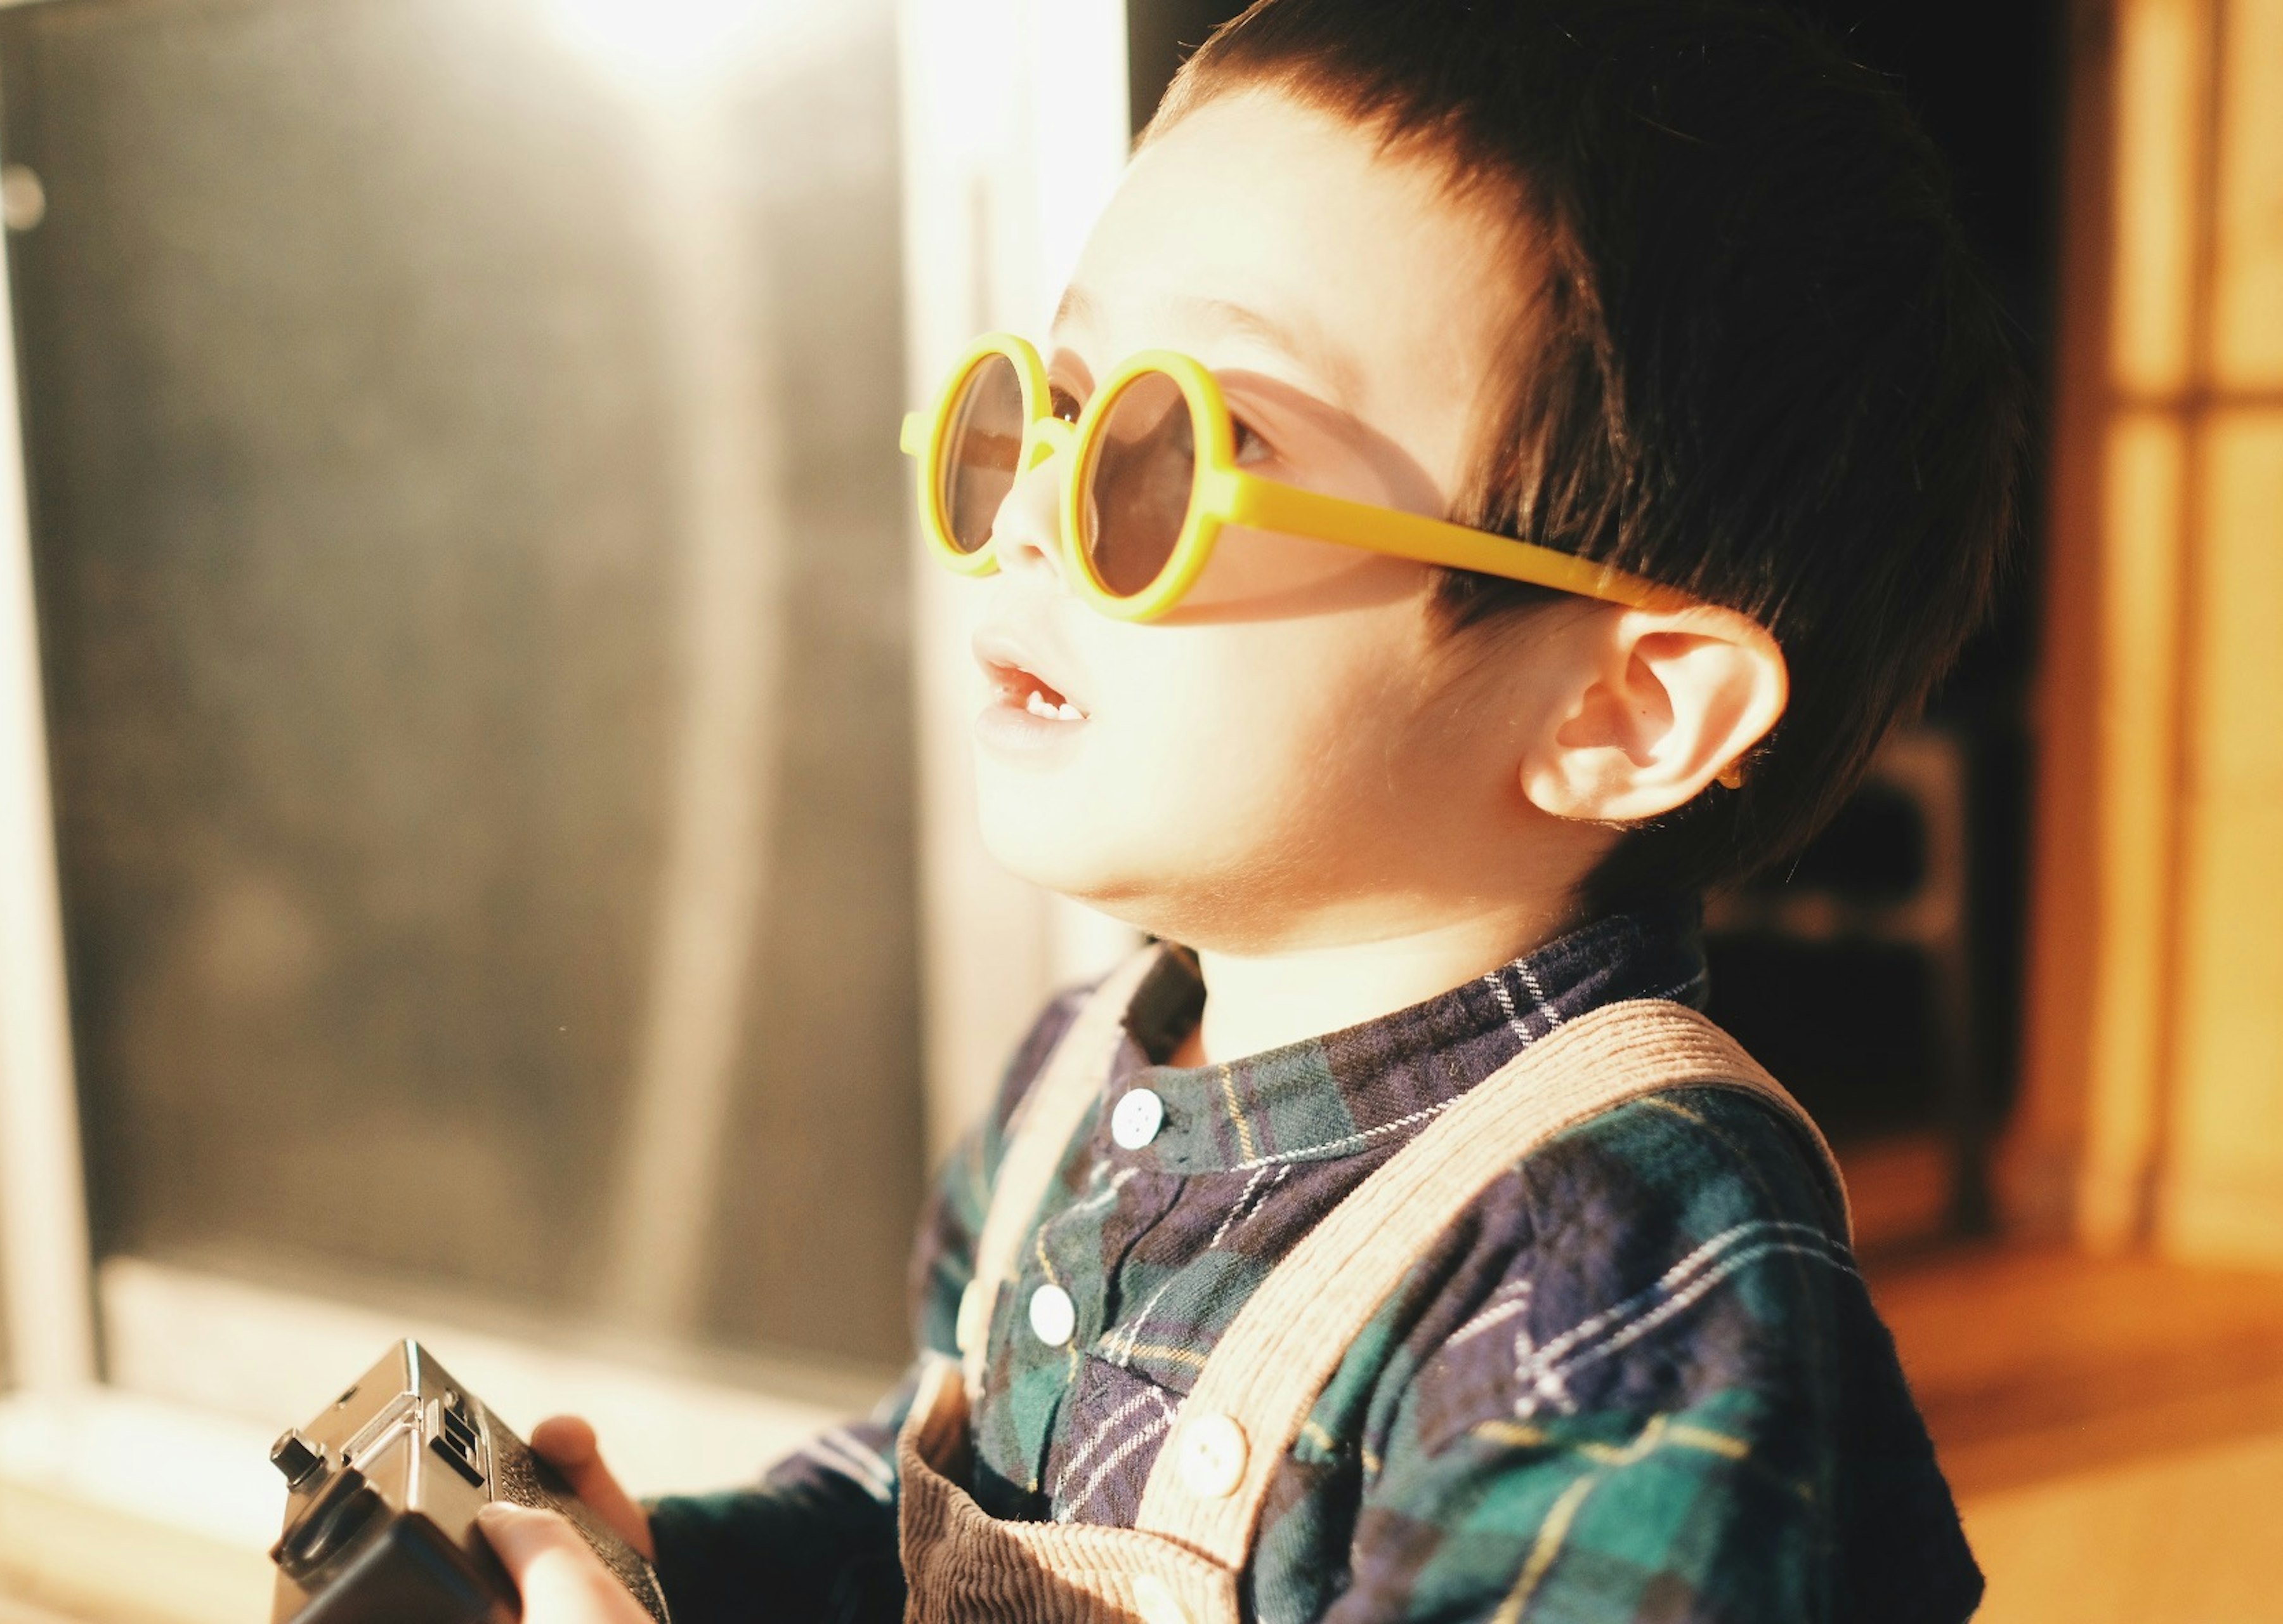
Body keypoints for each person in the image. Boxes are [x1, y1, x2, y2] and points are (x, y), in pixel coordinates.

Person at [479, 0, 2020, 1618]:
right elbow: (915, 1499)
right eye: (1054, 404)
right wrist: (668, 1567)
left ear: (1618, 710)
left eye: (1189, 442)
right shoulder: (1072, 1084)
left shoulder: (1606, 1276)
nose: (1034, 518)